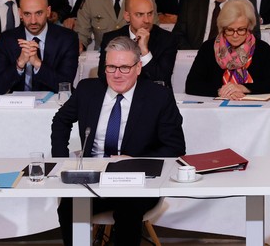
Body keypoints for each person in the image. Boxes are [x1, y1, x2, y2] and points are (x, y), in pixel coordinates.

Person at [52, 36, 185, 246]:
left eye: (124, 68)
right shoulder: (88, 90)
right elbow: (61, 120)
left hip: (136, 180)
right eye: (111, 67)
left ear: (138, 68)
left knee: (128, 211)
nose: (117, 74)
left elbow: (175, 147)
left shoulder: (159, 97)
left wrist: (135, 161)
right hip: (92, 177)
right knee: (69, 208)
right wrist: (61, 160)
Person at [184, 0, 270, 98]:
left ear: (249, 28)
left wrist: (243, 88)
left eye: (241, 29)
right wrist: (221, 91)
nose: (235, 35)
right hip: (216, 105)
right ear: (223, 28)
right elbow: (191, 84)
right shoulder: (208, 48)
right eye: (230, 30)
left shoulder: (262, 48)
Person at [0, 0, 79, 93]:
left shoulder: (67, 39)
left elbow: (65, 86)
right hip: (18, 102)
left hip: (54, 102)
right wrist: (19, 64)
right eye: (27, 14)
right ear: (20, 13)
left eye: (38, 13)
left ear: (48, 11)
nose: (33, 21)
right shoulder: (7, 39)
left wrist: (38, 64)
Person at [100, 0, 179, 87]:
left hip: (153, 94)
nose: (146, 20)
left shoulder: (167, 39)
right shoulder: (111, 39)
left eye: (150, 14)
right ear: (127, 16)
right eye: (139, 14)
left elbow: (161, 79)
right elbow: (104, 76)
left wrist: (144, 51)